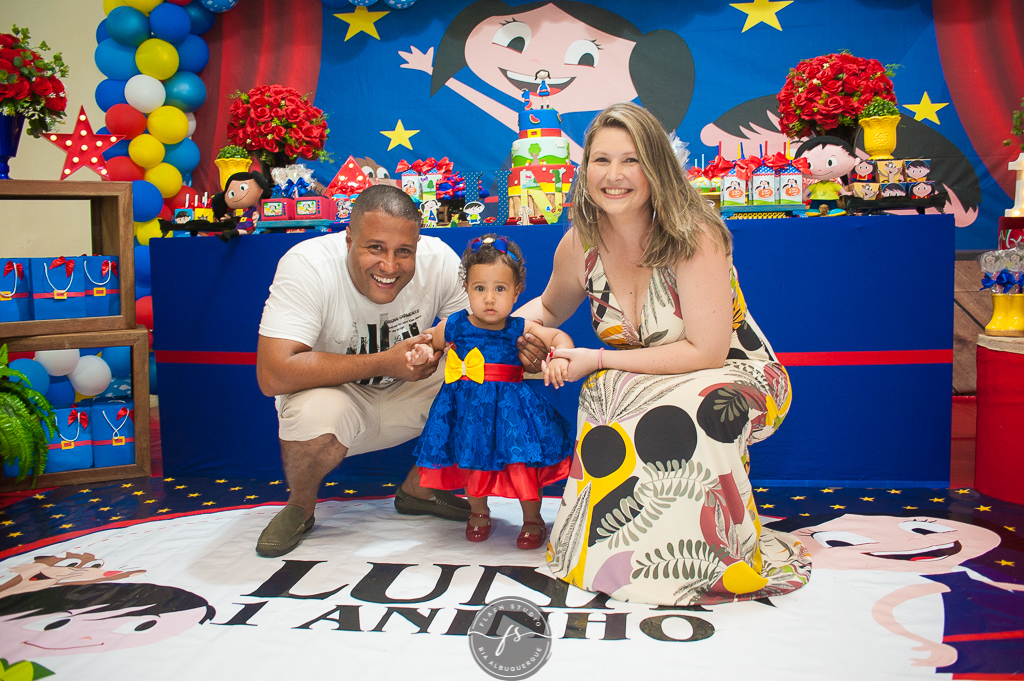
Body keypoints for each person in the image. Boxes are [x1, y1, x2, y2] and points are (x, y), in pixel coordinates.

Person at [515, 102, 810, 606]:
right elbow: (546, 307)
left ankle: (708, 564)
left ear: (655, 166)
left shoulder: (696, 235)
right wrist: (497, 332)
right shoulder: (581, 242)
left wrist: (596, 358)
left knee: (681, 401)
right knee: (605, 395)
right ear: (584, 169)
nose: (613, 175)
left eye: (630, 160)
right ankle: (608, 559)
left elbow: (706, 351)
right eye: (601, 160)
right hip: (649, 376)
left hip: (735, 374)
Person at [255, 184, 473, 558]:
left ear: (417, 245)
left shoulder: (440, 260)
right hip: (339, 399)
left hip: (409, 391)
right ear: (349, 239)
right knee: (311, 411)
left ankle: (420, 489)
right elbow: (273, 373)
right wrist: (386, 361)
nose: (389, 266)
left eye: (403, 251)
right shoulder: (308, 264)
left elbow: (478, 335)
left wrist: (434, 349)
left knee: (495, 375)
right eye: (375, 248)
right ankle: (301, 507)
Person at [406, 235, 575, 550]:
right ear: (466, 289)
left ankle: (532, 519)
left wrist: (560, 358)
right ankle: (479, 513)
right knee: (473, 462)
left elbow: (557, 337)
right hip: (468, 412)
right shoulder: (455, 325)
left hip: (512, 412)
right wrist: (423, 352)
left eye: (500, 289)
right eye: (479, 288)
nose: (489, 299)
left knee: (522, 464)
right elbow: (429, 341)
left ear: (517, 292)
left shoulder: (519, 327)